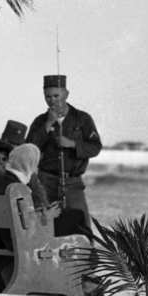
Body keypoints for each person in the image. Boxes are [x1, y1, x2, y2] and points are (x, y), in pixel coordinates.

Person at [26, 74, 102, 236]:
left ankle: (87, 259)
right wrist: (47, 126)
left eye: (56, 95)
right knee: (47, 229)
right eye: (48, 96)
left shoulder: (82, 119)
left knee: (82, 226)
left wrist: (73, 144)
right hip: (46, 183)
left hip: (73, 183)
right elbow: (29, 150)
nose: (52, 100)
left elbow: (95, 147)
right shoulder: (40, 121)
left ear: (66, 94)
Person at [0, 143, 60, 219]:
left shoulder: (1, 180)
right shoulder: (17, 187)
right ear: (30, 164)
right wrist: (48, 215)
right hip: (12, 229)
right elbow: (24, 221)